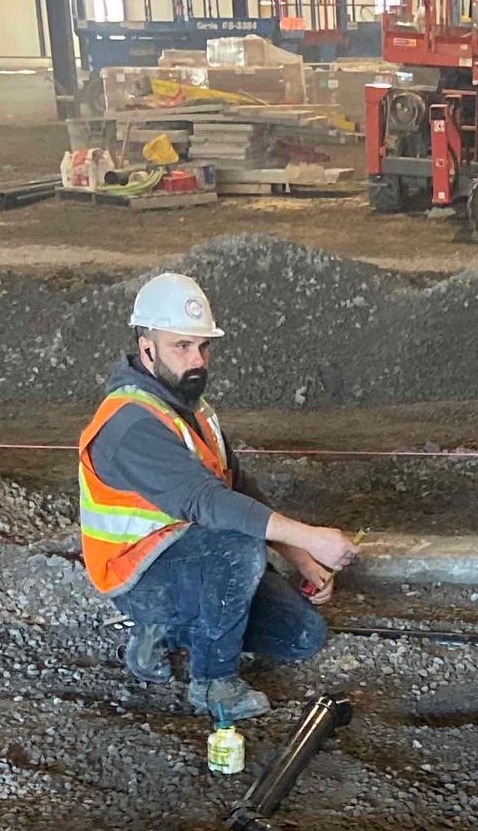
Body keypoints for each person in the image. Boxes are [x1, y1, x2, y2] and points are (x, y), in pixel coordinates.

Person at [78, 272, 358, 725]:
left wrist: (302, 557)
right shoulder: (131, 423)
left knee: (302, 636)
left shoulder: (194, 411)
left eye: (203, 347)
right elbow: (208, 502)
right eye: (181, 347)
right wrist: (311, 536)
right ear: (147, 348)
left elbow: (239, 488)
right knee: (238, 547)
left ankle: (169, 633)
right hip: (140, 577)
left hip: (196, 559)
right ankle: (213, 682)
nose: (197, 360)